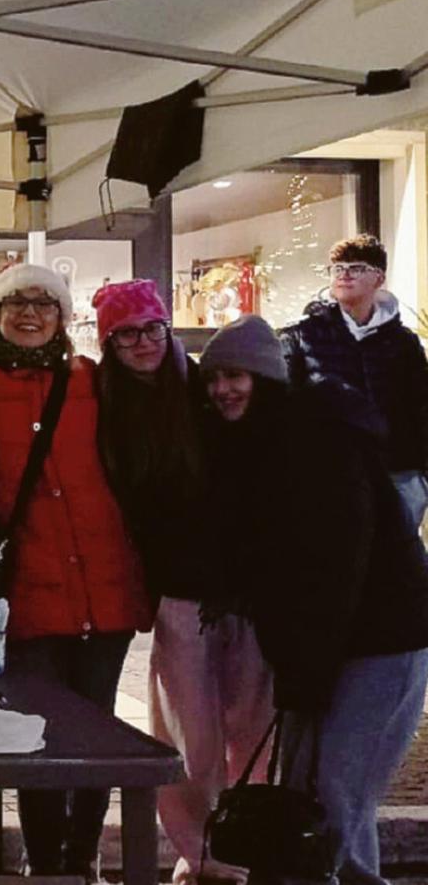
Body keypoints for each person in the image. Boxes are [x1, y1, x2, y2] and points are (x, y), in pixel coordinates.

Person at [199, 315, 428, 885]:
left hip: (381, 642)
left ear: (267, 376)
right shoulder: (259, 440)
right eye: (213, 378)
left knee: (335, 798)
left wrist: (308, 667)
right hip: (325, 647)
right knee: (311, 793)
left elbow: (334, 565)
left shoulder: (314, 439)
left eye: (236, 375)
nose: (223, 389)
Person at [0, 263, 152, 879]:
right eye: (15, 303)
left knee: (96, 731)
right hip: (25, 589)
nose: (29, 313)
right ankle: (45, 862)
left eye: (44, 304)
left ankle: (84, 860)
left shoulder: (95, 382)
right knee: (38, 734)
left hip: (105, 586)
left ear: (61, 315)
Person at [92, 280, 271, 885]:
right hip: (177, 592)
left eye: (150, 328)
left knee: (254, 725)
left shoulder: (202, 390)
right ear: (109, 343)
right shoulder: (106, 406)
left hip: (244, 588)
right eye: (125, 333)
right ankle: (202, 855)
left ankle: (248, 843)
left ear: (167, 330)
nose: (141, 342)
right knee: (188, 734)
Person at [281, 234, 428, 530]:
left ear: (379, 278)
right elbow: (286, 405)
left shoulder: (403, 342)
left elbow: (421, 406)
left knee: (397, 566)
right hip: (330, 475)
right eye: (338, 268)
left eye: (356, 267)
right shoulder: (302, 335)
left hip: (398, 472)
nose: (345, 273)